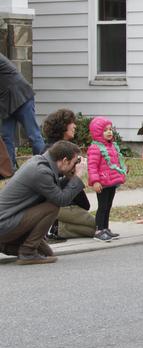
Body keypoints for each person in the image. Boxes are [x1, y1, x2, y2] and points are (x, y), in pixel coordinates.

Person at [0, 140, 85, 264]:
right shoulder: (40, 171)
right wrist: (78, 176)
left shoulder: (40, 162)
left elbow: (53, 188)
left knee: (47, 254)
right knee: (52, 207)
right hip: (4, 223)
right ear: (65, 161)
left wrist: (70, 177)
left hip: (9, 221)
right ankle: (28, 252)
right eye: (74, 162)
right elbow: (61, 199)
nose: (75, 166)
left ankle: (6, 246)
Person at [41, 108, 95, 241]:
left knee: (94, 229)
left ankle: (58, 228)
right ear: (62, 126)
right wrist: (76, 175)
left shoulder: (65, 147)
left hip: (70, 203)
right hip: (58, 205)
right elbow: (53, 184)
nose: (75, 126)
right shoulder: (52, 151)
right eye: (71, 122)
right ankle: (53, 225)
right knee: (97, 226)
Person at [0, 53, 46, 170]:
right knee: (6, 135)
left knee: (33, 135)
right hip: (7, 100)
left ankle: (44, 166)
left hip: (21, 96)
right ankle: (10, 169)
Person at [87, 116, 127, 242]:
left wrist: (122, 171)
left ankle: (106, 228)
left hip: (111, 182)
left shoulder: (112, 146)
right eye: (105, 130)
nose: (109, 132)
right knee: (102, 206)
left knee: (108, 206)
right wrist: (95, 181)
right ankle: (99, 230)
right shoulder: (95, 148)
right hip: (102, 183)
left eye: (110, 129)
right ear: (98, 133)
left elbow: (116, 162)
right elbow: (92, 166)